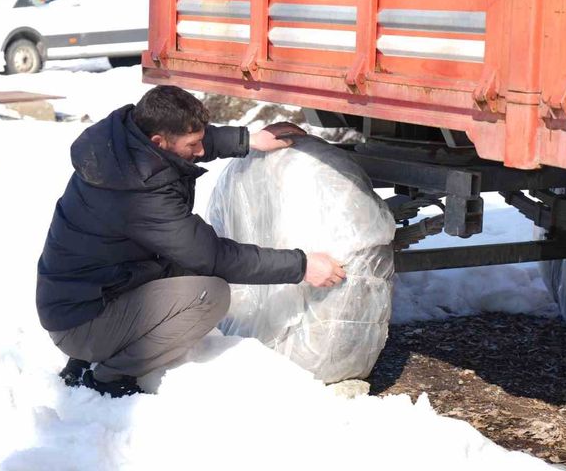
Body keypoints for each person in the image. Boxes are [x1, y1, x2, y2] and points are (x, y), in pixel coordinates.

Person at [36, 85, 346, 398]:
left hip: (92, 293)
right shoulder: (140, 196)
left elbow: (189, 139)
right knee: (208, 294)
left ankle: (97, 352)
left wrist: (248, 140)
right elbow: (211, 256)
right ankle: (108, 375)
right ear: (159, 142)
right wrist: (301, 265)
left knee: (188, 265)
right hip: (81, 320)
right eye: (193, 145)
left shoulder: (123, 147)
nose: (200, 151)